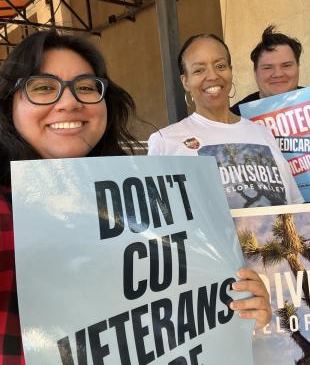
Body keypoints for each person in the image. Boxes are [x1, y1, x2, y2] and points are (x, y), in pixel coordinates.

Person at [0, 31, 270, 364]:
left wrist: (239, 302)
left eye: (85, 86)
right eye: (42, 87)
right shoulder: (5, 215)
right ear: (9, 103)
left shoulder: (135, 206)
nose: (69, 102)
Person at [148, 33, 304, 210]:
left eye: (220, 66)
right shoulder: (165, 142)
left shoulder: (262, 133)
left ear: (230, 71)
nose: (213, 76)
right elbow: (160, 218)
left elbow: (294, 206)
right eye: (199, 70)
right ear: (185, 81)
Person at [230, 25, 303, 115]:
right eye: (268, 67)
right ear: (255, 72)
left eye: (286, 65)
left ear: (298, 66)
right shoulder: (234, 117)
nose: (278, 74)